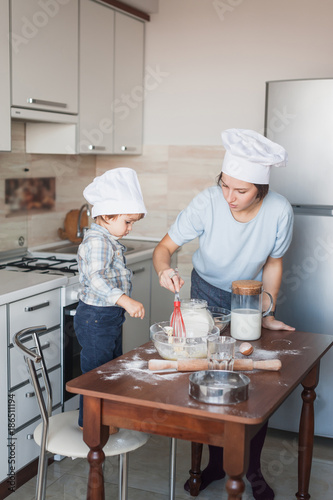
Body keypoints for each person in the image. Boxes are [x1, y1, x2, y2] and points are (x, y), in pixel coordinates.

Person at [152, 129, 295, 500]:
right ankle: (215, 463)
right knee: (209, 380)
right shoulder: (207, 202)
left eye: (241, 190)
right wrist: (163, 269)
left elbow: (275, 263)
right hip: (206, 294)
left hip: (249, 296)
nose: (229, 197)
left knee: (254, 384)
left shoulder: (280, 210)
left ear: (261, 190)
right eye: (225, 185)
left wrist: (268, 308)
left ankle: (253, 469)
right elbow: (163, 248)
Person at [74, 167, 147, 429]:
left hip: (107, 317)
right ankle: (90, 423)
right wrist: (124, 300)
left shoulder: (109, 238)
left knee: (109, 370)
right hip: (96, 318)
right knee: (96, 375)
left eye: (133, 222)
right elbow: (95, 278)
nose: (129, 228)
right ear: (106, 215)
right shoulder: (98, 242)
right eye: (127, 221)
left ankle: (106, 418)